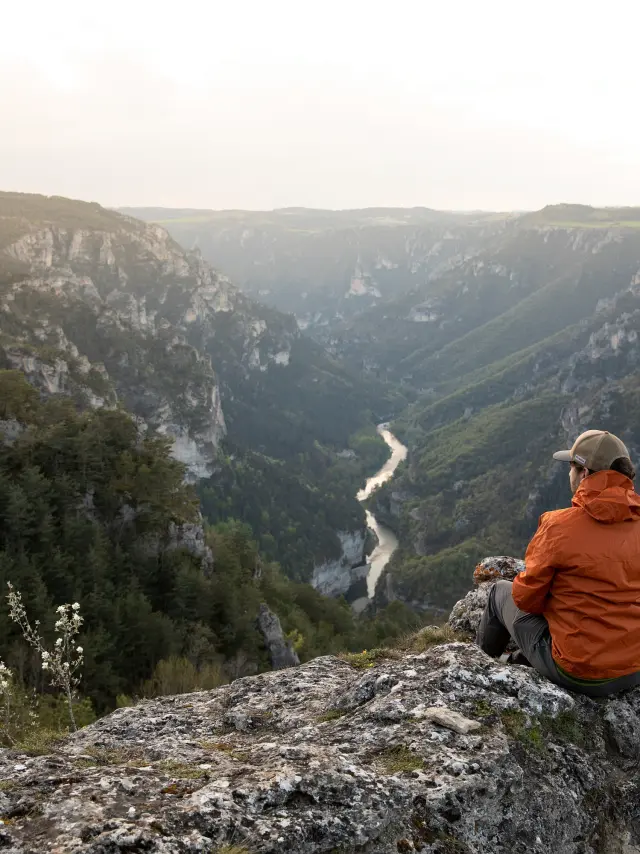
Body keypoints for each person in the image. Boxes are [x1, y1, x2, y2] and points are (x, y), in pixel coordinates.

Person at [477, 429, 640, 697]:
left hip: (581, 673)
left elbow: (526, 600)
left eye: (571, 467)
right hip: (633, 668)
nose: (568, 474)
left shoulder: (559, 526)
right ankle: (522, 660)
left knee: (498, 593)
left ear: (585, 474)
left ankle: (481, 671)